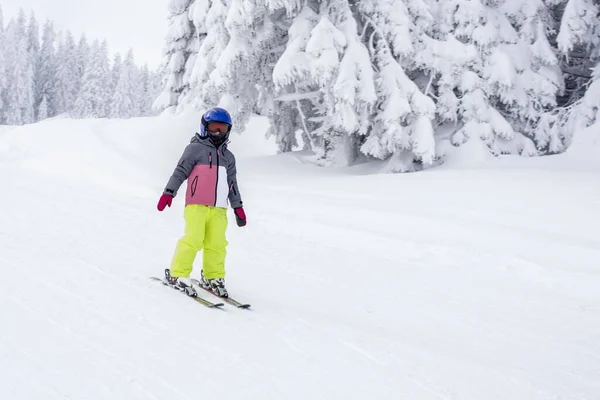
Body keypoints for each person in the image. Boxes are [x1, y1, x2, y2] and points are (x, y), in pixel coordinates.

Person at [156, 107, 246, 298]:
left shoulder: (228, 157)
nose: (218, 132)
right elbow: (180, 172)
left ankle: (213, 277)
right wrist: (169, 193)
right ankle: (177, 274)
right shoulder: (194, 149)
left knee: (217, 243)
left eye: (222, 128)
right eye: (214, 127)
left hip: (219, 208)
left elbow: (232, 184)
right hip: (196, 205)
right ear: (205, 127)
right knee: (193, 239)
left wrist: (238, 207)